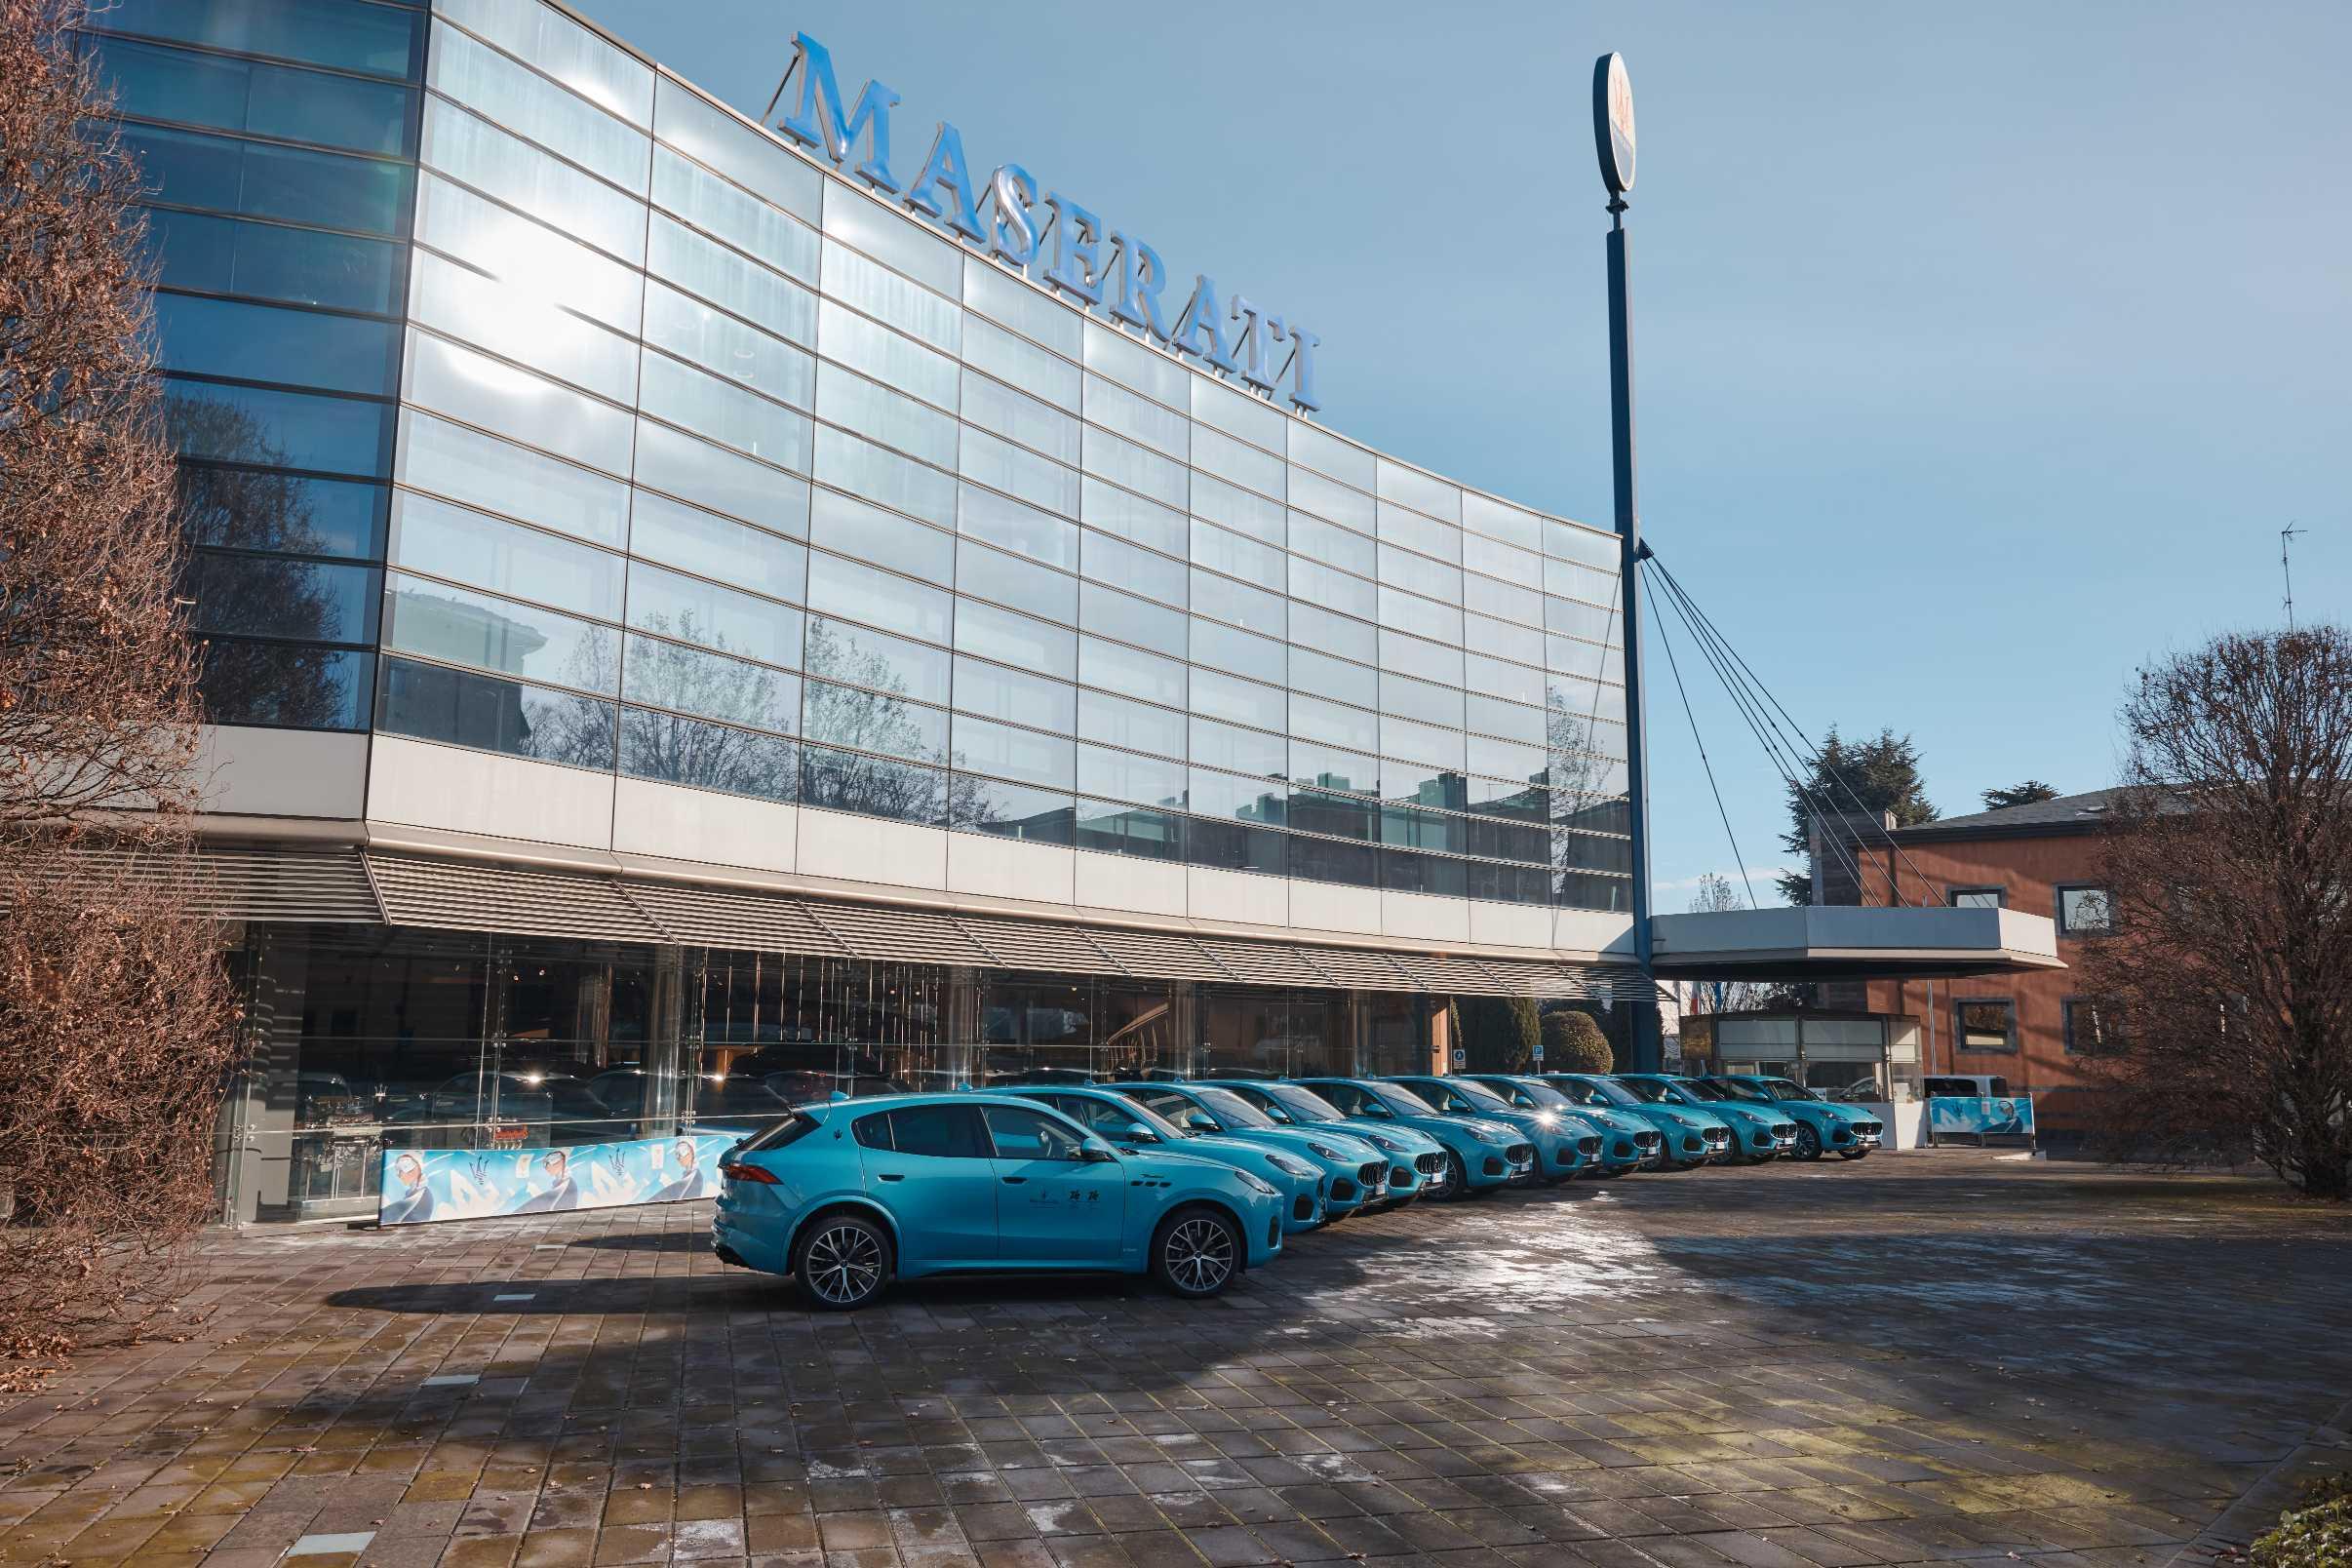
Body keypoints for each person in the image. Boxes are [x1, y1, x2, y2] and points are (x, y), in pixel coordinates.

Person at [513, 1148, 579, 1213]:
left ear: (559, 1163)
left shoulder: (567, 1184)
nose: (546, 1167)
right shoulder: (562, 1182)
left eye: (547, 1163)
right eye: (544, 1164)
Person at [380, 1151, 436, 1225]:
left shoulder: (422, 1194)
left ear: (417, 1169)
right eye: (397, 1169)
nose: (399, 1174)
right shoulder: (412, 1192)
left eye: (405, 1167)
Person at [648, 1137, 707, 1202]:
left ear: (692, 1152)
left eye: (683, 1151)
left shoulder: (695, 1175)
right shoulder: (689, 1174)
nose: (679, 1157)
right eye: (677, 1153)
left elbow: (678, 1193)